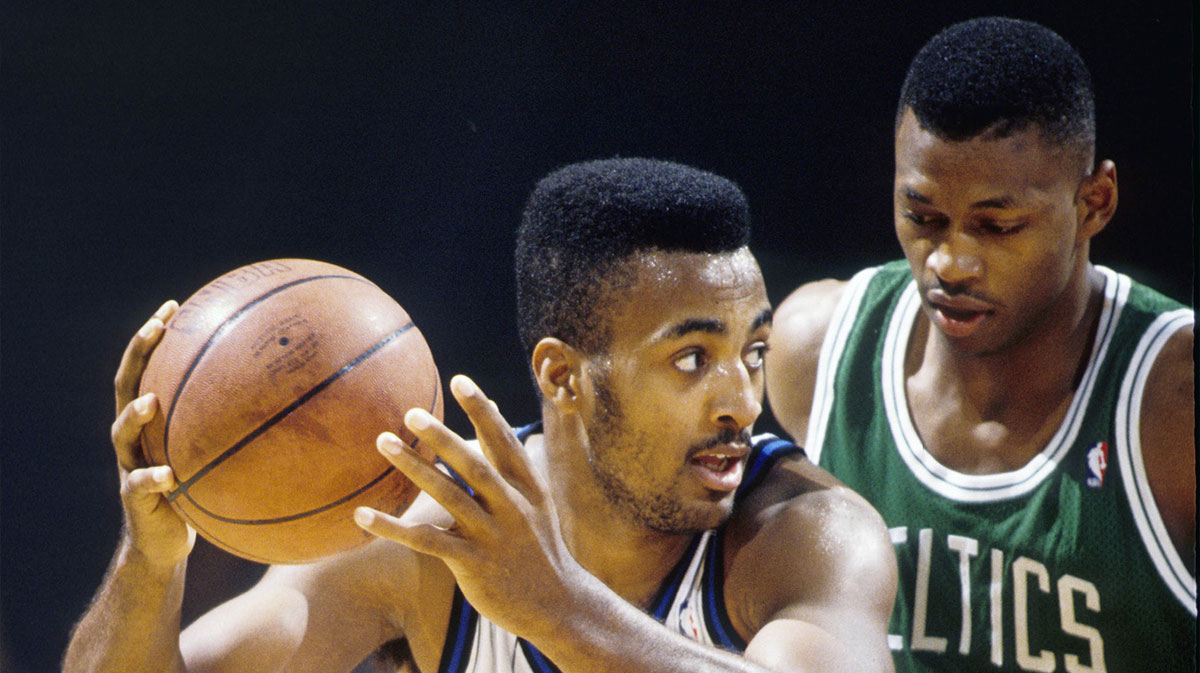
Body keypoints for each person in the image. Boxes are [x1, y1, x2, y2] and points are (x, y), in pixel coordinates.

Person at [63, 157, 898, 673]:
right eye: (692, 359)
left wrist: (557, 606)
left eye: (751, 353)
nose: (743, 401)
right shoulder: (426, 543)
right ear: (562, 376)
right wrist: (151, 561)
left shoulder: (807, 536)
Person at [765, 17, 1195, 673]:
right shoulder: (815, 353)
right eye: (923, 217)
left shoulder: (1174, 403)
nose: (951, 261)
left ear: (1095, 203)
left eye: (996, 226)